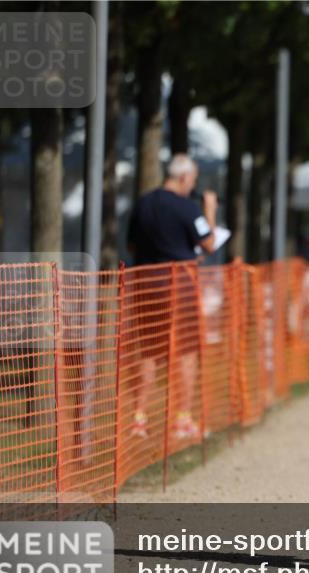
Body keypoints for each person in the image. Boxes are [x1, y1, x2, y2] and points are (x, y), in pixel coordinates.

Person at [127, 153, 218, 440]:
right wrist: (210, 210)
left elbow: (131, 245)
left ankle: (138, 418)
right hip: (179, 285)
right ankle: (182, 418)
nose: (192, 185)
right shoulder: (188, 207)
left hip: (145, 284)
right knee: (186, 352)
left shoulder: (143, 203)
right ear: (183, 177)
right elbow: (210, 243)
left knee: (150, 351)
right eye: (192, 180)